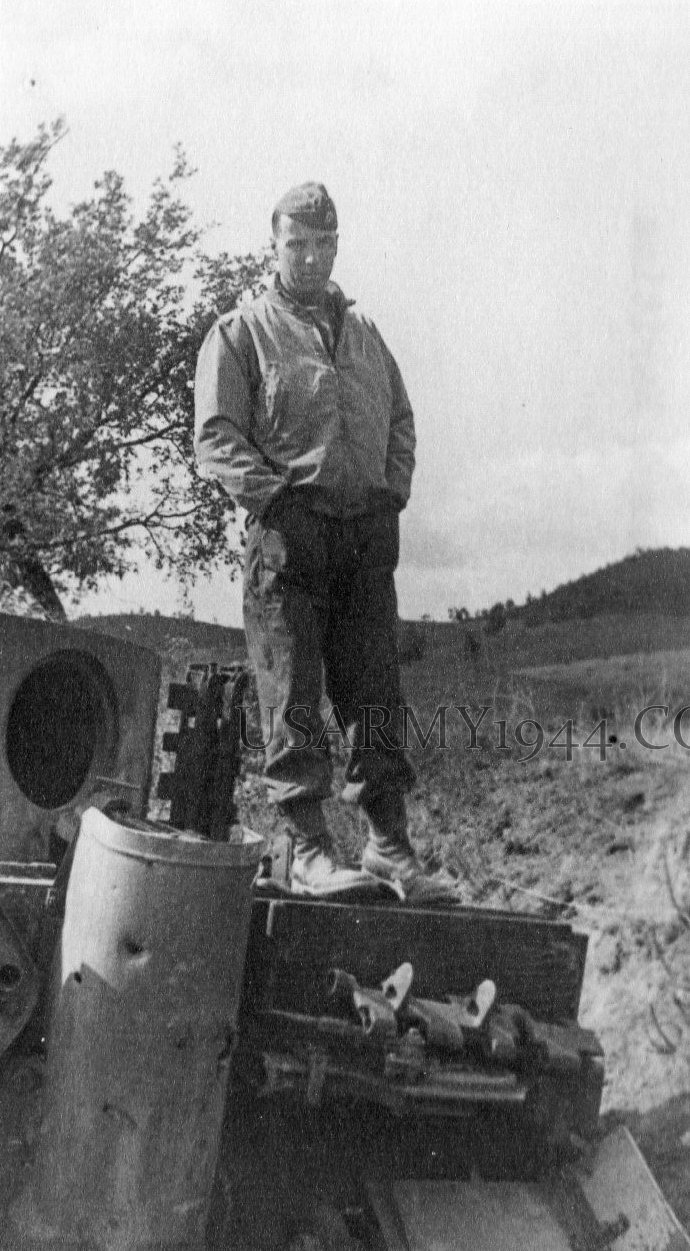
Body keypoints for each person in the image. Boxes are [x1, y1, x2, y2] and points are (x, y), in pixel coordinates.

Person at [194, 182, 454, 899]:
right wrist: (276, 501)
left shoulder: (365, 335)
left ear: (336, 246)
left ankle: (387, 845)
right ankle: (306, 848)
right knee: (291, 697)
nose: (309, 258)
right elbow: (216, 436)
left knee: (376, 696)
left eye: (321, 244)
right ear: (272, 247)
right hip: (289, 541)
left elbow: (400, 417)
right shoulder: (241, 332)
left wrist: (391, 494)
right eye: (295, 244)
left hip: (364, 541)